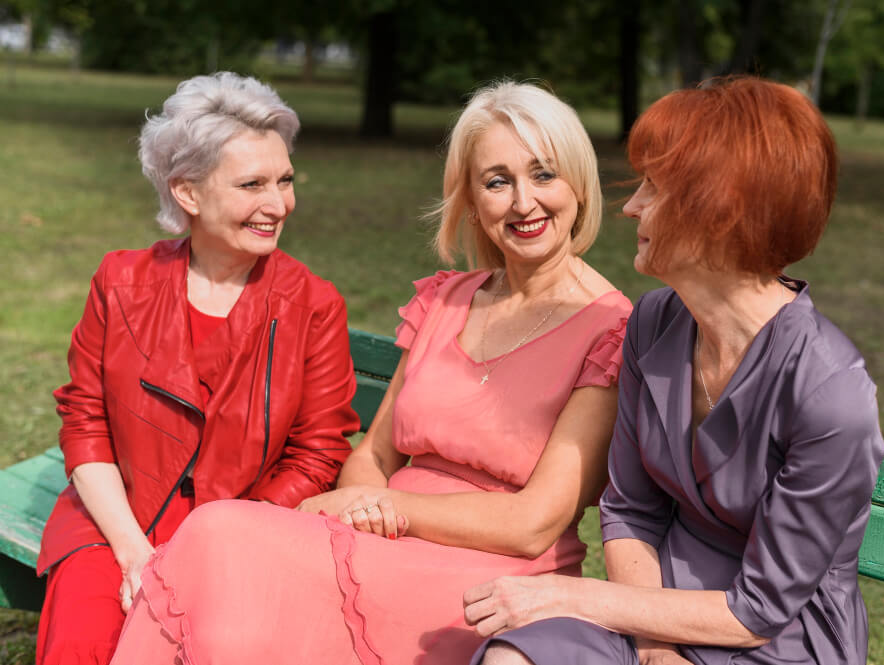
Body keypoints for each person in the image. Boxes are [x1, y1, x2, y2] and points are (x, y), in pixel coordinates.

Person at [109, 80, 633, 665]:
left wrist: (387, 512)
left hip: (488, 571)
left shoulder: (610, 329)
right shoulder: (447, 299)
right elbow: (374, 453)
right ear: (471, 198)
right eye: (496, 181)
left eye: (544, 175)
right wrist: (366, 504)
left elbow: (534, 524)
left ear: (579, 185)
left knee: (222, 541)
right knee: (218, 542)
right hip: (376, 539)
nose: (523, 202)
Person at [465, 77, 884, 665]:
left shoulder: (829, 391)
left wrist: (566, 594)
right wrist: (655, 646)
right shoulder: (654, 323)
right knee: (511, 657)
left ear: (719, 211)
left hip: (776, 639)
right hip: (650, 604)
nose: (631, 204)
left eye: (654, 188)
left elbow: (759, 611)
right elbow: (632, 510)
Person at [36, 72, 360, 665]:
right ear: (187, 193)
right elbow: (86, 424)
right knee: (84, 641)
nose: (278, 203)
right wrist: (133, 551)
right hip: (116, 524)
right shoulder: (120, 280)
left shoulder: (314, 305)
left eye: (284, 180)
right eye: (252, 184)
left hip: (242, 535)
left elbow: (317, 455)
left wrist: (214, 545)